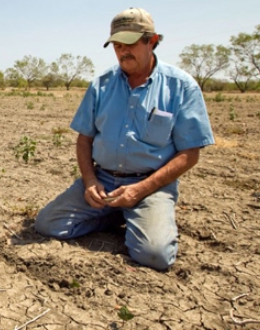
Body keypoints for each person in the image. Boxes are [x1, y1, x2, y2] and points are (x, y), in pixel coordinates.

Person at [35, 7, 214, 271]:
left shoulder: (181, 86)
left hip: (150, 186)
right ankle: (114, 213)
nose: (123, 51)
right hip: (103, 181)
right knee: (47, 224)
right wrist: (90, 181)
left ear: (151, 41)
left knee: (154, 256)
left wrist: (139, 191)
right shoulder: (101, 85)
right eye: (117, 45)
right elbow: (84, 139)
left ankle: (140, 216)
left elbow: (190, 154)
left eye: (130, 44)